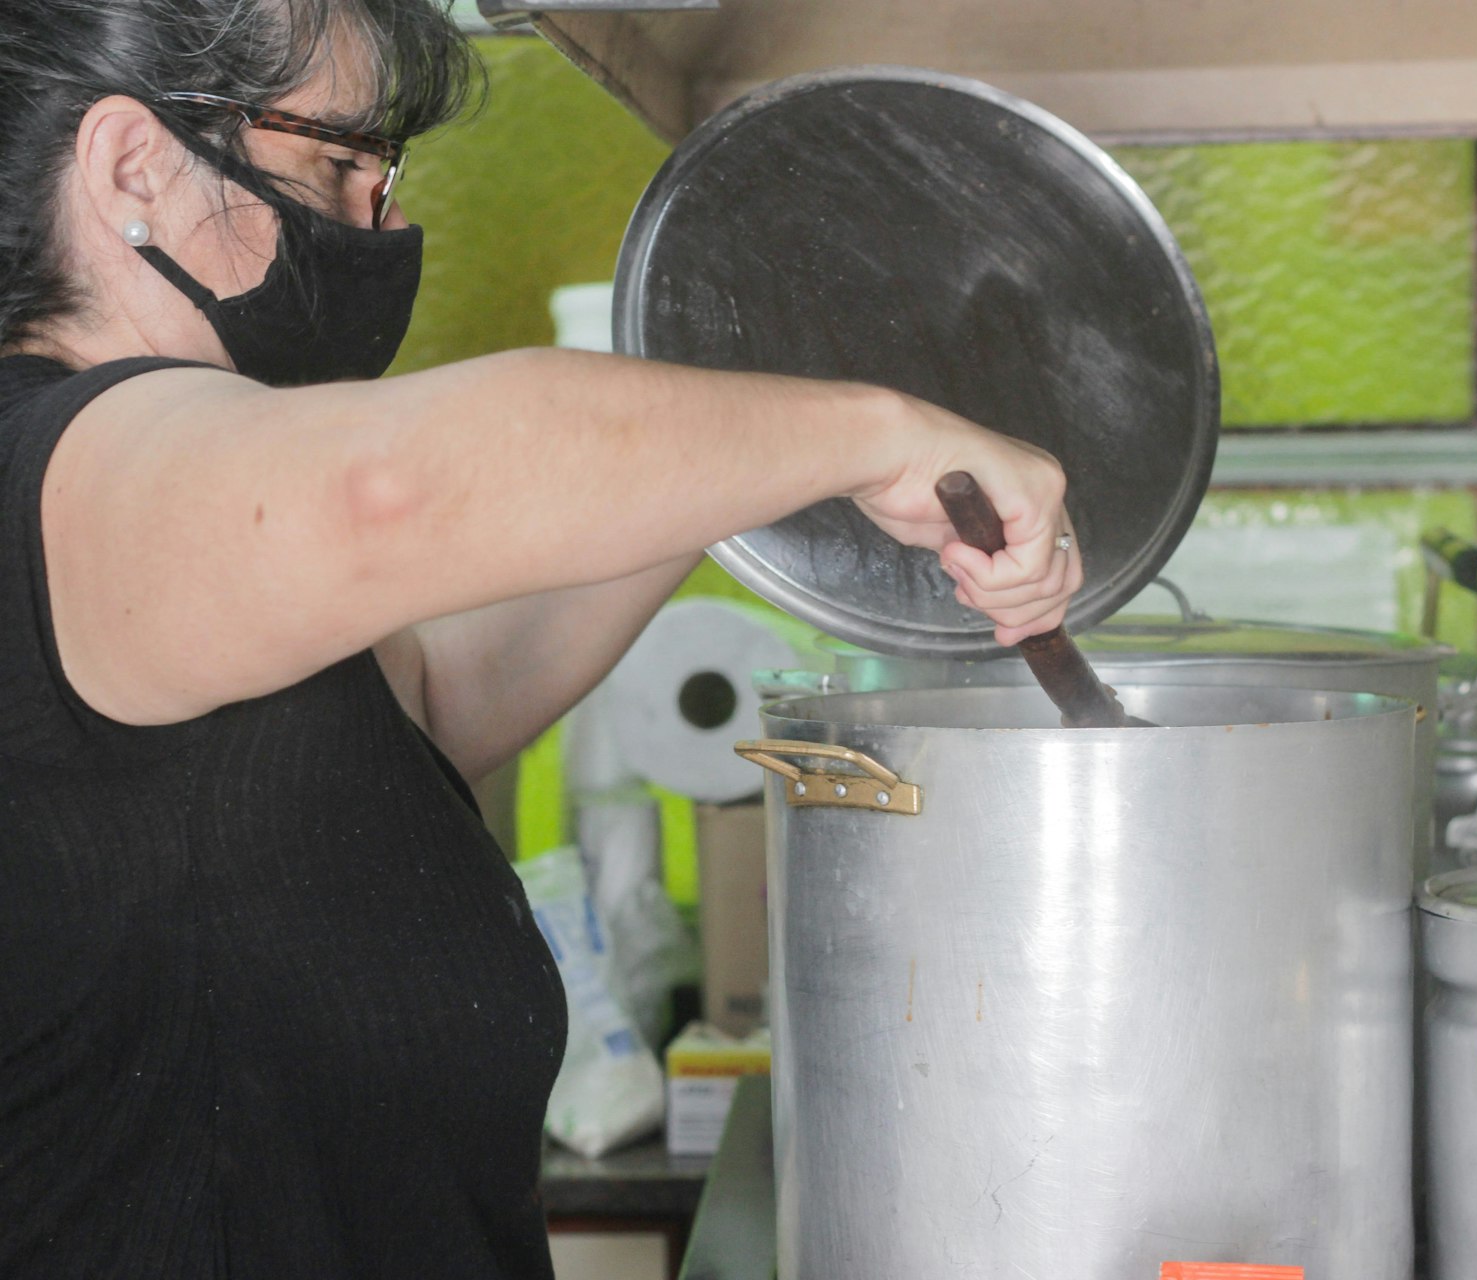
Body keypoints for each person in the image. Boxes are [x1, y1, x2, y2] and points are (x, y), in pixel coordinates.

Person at [0, 0, 1082, 1273]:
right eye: (339, 164)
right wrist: (877, 433)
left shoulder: (173, 551)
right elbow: (391, 491)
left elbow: (440, 698)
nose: (380, 227)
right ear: (133, 166)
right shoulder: (62, 468)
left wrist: (758, 423)